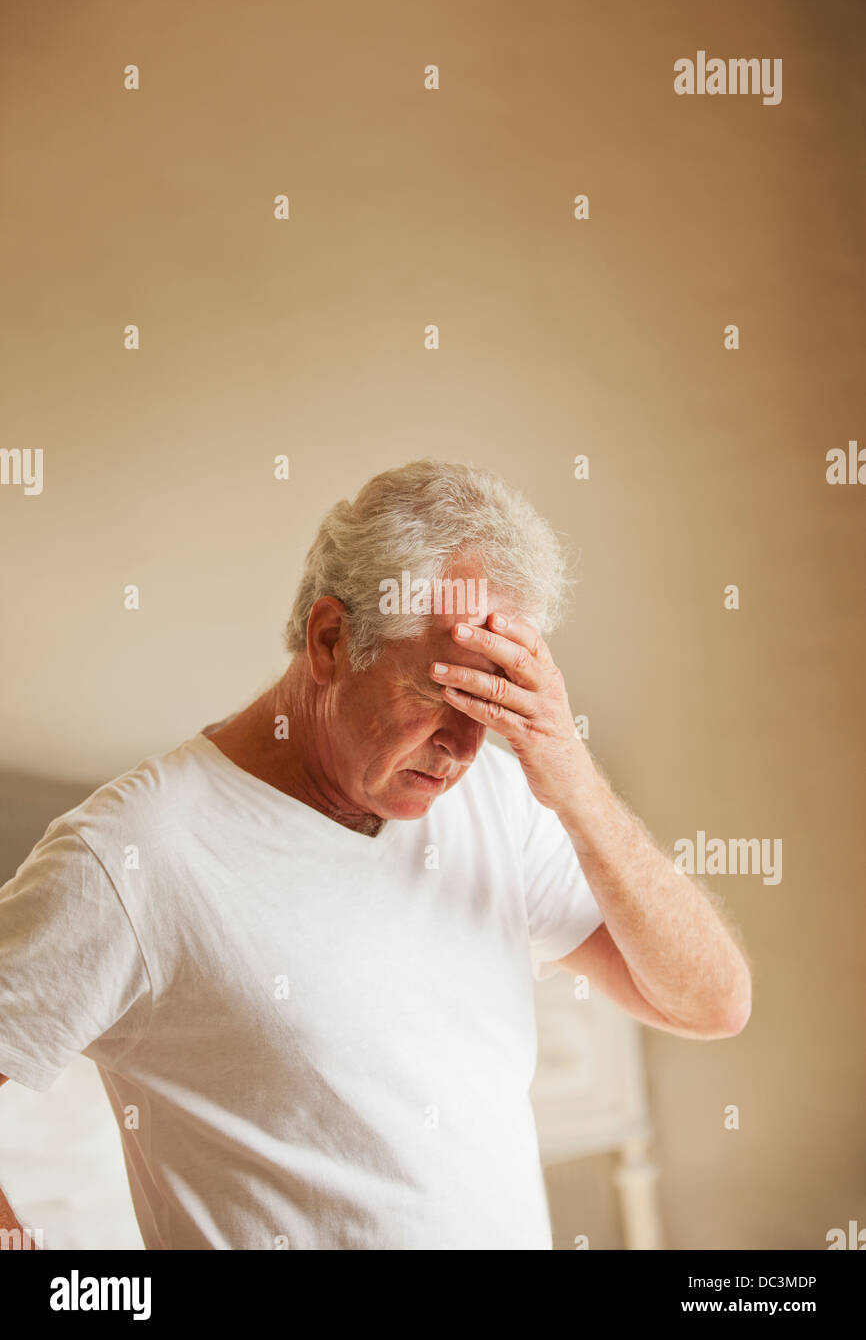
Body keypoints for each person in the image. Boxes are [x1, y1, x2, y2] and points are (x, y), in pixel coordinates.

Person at [0, 459, 751, 1251]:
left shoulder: (496, 796)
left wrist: (574, 782)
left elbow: (709, 1004)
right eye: (439, 696)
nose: (462, 749)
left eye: (490, 707)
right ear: (331, 640)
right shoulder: (132, 855)